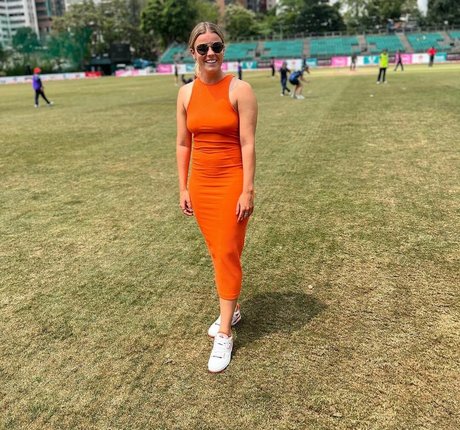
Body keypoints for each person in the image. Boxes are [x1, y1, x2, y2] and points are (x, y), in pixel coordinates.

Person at [176, 22, 257, 373]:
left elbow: (248, 143)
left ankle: (224, 332)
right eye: (203, 48)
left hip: (231, 182)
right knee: (218, 251)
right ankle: (232, 309)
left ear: (224, 50)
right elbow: (183, 143)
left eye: (216, 46)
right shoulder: (185, 93)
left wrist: (247, 190)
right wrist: (183, 187)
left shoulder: (240, 90)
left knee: (226, 251)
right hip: (201, 184)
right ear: (192, 52)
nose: (210, 53)